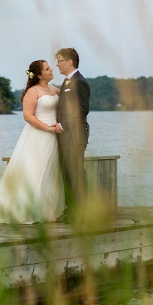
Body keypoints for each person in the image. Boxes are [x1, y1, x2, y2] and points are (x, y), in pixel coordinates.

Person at [0, 60, 65, 224]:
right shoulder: (33, 91)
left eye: (50, 67)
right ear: (38, 75)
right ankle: (29, 209)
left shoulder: (54, 89)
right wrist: (49, 129)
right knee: (36, 170)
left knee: (50, 171)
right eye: (47, 68)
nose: (51, 70)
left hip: (54, 136)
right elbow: (28, 116)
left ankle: (48, 210)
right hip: (39, 135)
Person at [54, 48, 90, 220]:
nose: (57, 64)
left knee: (75, 173)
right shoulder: (67, 82)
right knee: (67, 173)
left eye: (59, 60)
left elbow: (81, 111)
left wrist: (63, 125)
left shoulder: (79, 82)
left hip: (75, 136)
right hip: (65, 137)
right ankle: (72, 210)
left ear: (69, 61)